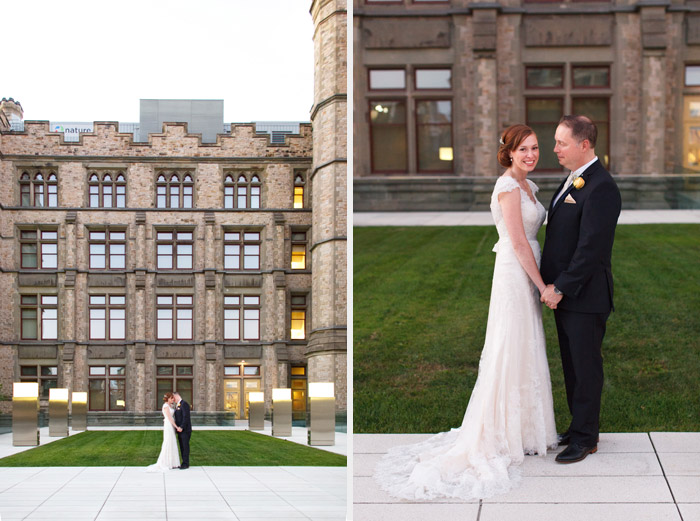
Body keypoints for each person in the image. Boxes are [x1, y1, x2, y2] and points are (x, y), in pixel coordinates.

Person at [374, 124, 557, 500]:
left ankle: (523, 429)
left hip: (529, 266)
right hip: (514, 271)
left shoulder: (529, 187)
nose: (530, 155)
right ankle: (498, 433)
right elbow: (519, 242)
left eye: (535, 148)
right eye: (523, 149)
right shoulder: (507, 187)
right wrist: (542, 286)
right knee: (507, 344)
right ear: (507, 153)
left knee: (526, 345)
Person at [540, 115, 621, 464]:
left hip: (584, 295)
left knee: (586, 368)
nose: (555, 148)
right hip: (567, 295)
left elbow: (592, 249)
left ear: (584, 144)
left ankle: (586, 438)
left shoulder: (601, 186)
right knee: (572, 366)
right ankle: (579, 427)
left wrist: (561, 287)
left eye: (561, 142)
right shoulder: (575, 180)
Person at [146, 391, 182, 472]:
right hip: (168, 425)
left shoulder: (171, 405)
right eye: (172, 398)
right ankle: (166, 462)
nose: (173, 400)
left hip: (171, 425)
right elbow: (169, 418)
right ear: (168, 399)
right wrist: (176, 427)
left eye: (173, 398)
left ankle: (173, 463)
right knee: (168, 442)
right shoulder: (165, 406)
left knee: (172, 442)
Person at [173, 391, 192, 469]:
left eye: (173, 398)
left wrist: (181, 427)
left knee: (185, 446)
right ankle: (183, 462)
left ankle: (186, 463)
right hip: (180, 430)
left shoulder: (184, 404)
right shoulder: (178, 405)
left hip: (185, 430)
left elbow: (186, 417)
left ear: (177, 396)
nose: (173, 400)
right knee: (181, 446)